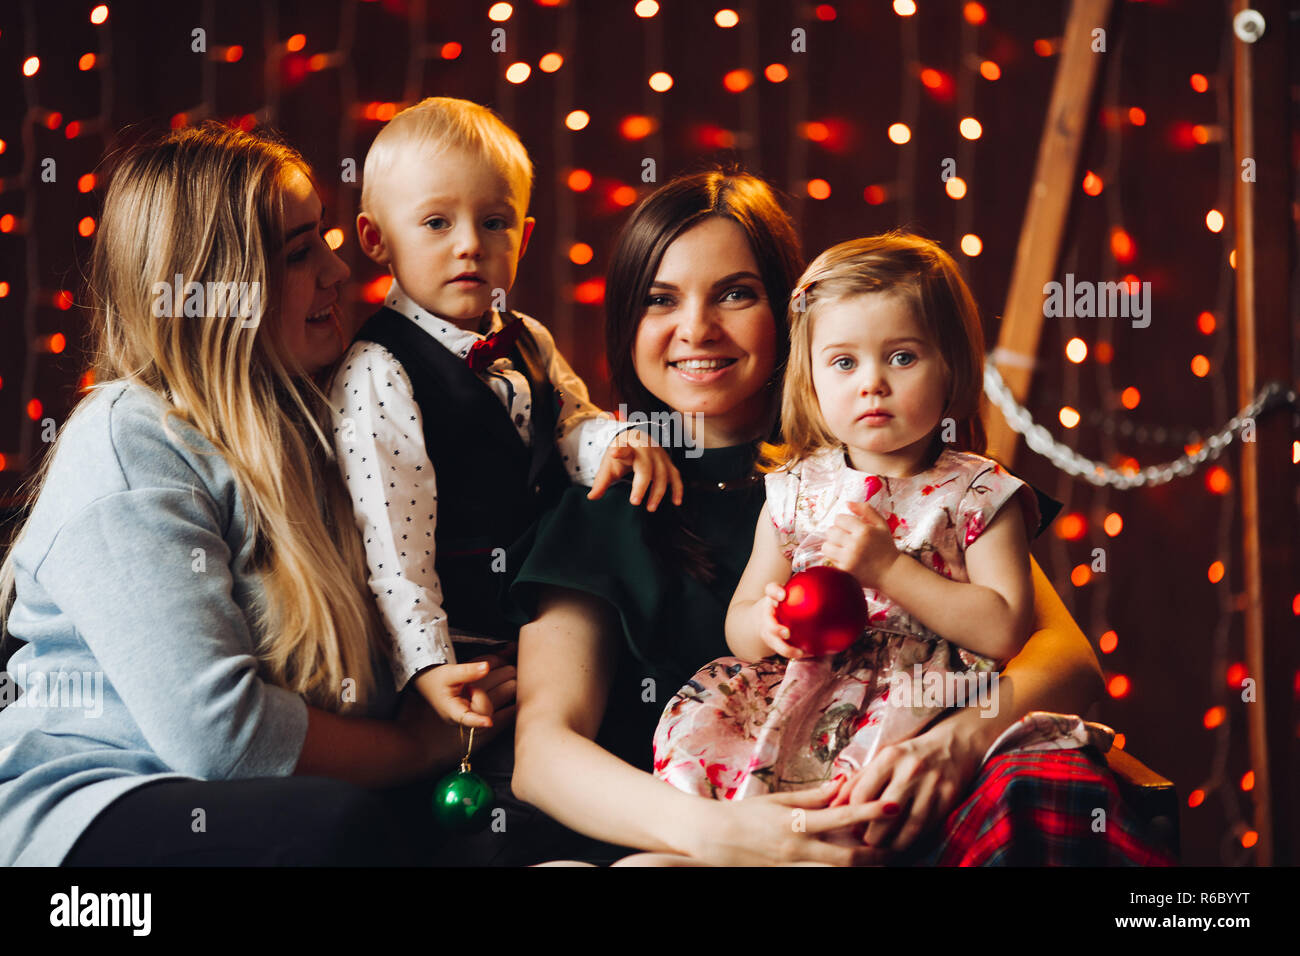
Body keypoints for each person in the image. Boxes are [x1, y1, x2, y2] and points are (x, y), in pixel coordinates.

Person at [508, 169, 1173, 866]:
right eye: (660, 299)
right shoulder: (610, 498)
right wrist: (722, 833)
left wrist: (956, 742)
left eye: (736, 293)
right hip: (690, 835)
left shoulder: (890, 471)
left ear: (792, 316)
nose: (697, 329)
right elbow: (543, 753)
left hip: (886, 816)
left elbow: (1066, 659)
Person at [0, 123, 504, 866]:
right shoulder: (129, 440)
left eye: (324, 238)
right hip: (90, 808)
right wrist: (414, 748)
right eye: (298, 254)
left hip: (283, 799)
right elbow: (223, 738)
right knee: (331, 828)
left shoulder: (328, 422)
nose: (338, 270)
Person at [652, 232, 1113, 806]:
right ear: (811, 380)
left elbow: (1004, 628)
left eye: (902, 357)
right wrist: (766, 626)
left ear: (951, 368)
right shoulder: (795, 490)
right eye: (844, 362)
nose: (872, 382)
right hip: (801, 697)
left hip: (925, 702)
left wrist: (891, 570)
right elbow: (740, 618)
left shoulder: (978, 493)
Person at [332, 97, 679, 733]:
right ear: (376, 239)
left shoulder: (529, 337)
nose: (470, 245)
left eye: (495, 222)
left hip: (549, 618)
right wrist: (428, 663)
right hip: (464, 642)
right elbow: (390, 543)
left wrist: (614, 441)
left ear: (526, 235)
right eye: (436, 223)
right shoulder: (379, 371)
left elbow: (569, 422)